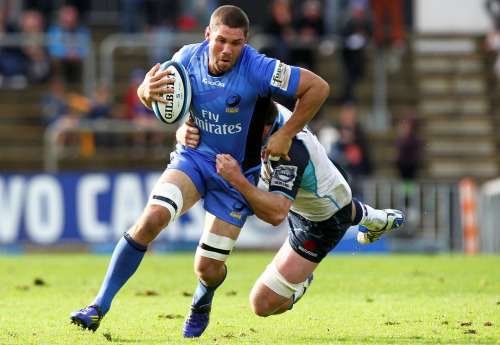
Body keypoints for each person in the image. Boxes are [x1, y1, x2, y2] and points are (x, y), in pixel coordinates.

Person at [69, 5, 330, 338]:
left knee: (207, 269)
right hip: (194, 159)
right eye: (221, 40)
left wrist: (287, 131)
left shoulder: (259, 67)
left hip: (236, 176)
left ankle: (203, 299)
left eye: (236, 43)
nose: (227, 50)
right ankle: (97, 306)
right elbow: (155, 97)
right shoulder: (186, 59)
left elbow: (318, 87)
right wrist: (146, 94)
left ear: (245, 41)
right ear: (208, 35)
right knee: (152, 219)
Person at [177, 97, 405, 316]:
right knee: (337, 205)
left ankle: (302, 283)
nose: (240, 130)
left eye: (246, 126)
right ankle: (378, 219)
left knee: (262, 304)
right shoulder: (262, 110)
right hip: (320, 187)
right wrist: (182, 133)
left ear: (265, 126)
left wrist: (237, 180)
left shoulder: (288, 152)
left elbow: (276, 213)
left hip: (320, 223)